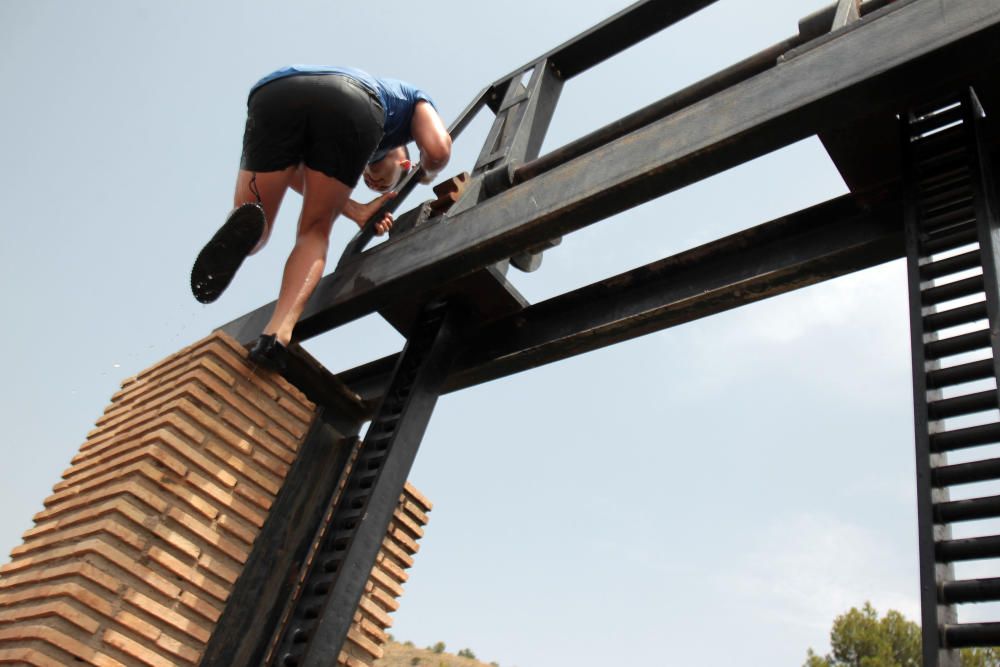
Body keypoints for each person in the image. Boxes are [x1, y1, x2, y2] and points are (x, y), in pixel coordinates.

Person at [191, 65, 451, 371]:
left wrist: (353, 208)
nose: (372, 182)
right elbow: (438, 149)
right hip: (355, 100)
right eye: (373, 178)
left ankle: (244, 236)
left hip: (274, 93)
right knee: (313, 233)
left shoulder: (350, 145)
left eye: (372, 183)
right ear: (403, 159)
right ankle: (276, 335)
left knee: (255, 226)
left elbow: (294, 174)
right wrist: (425, 174)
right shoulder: (407, 104)